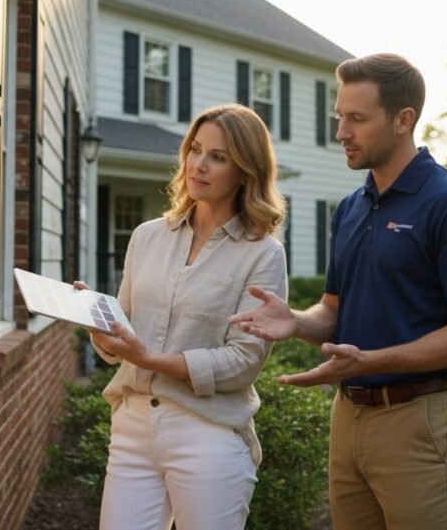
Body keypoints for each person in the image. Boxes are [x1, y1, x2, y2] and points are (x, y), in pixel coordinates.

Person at [230, 53, 447, 530]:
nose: (341, 132)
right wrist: (296, 322)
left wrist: (372, 362)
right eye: (339, 117)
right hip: (348, 417)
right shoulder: (352, 207)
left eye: (357, 118)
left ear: (404, 120)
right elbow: (333, 312)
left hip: (419, 421)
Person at [74, 104, 287, 530]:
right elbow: (125, 337)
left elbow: (244, 360)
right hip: (132, 424)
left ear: (245, 171)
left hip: (206, 431)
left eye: (218, 157)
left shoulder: (263, 254)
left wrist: (150, 358)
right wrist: (100, 326)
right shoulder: (147, 236)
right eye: (195, 149)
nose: (199, 165)